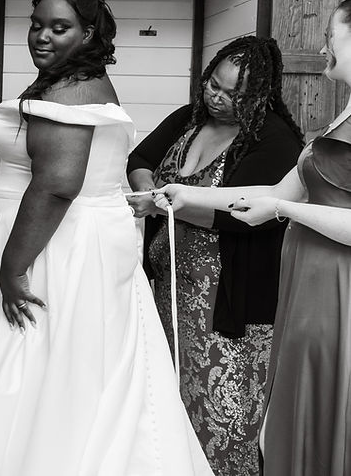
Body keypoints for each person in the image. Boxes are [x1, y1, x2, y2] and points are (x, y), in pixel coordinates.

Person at [0, 0, 213, 476]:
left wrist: (12, 269)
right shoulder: (73, 79)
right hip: (65, 235)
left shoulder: (72, 92)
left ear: (89, 32)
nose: (42, 36)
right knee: (63, 366)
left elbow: (56, 186)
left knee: (34, 367)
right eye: (37, 24)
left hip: (54, 245)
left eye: (59, 27)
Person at [157, 0, 351, 476]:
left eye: (333, 34)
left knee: (325, 408)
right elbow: (274, 190)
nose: (323, 43)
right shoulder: (342, 113)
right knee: (291, 413)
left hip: (337, 288)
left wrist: (286, 210)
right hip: (304, 283)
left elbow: (284, 202)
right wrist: (188, 194)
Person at [126, 36, 303, 475]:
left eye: (233, 95)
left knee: (223, 410)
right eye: (213, 86)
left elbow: (246, 218)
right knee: (171, 398)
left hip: (225, 301)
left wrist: (172, 206)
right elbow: (140, 157)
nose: (218, 99)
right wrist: (151, 190)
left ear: (260, 96)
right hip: (170, 288)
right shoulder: (190, 118)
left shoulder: (273, 139)